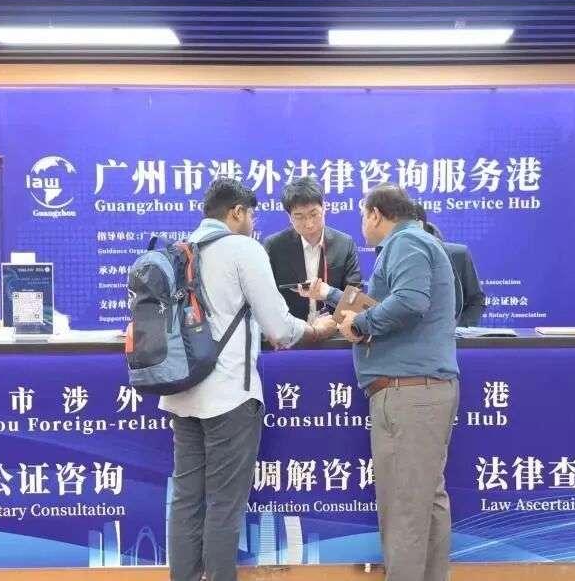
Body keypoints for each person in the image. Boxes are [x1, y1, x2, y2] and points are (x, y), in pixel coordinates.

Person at [161, 178, 337, 581]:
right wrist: (317, 330)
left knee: (186, 499)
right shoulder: (244, 249)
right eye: (251, 215)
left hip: (181, 391)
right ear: (237, 212)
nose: (253, 223)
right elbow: (279, 326)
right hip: (229, 394)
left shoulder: (178, 252)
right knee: (224, 503)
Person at [303, 184, 459, 581]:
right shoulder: (415, 243)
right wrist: (334, 297)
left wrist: (361, 324)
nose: (362, 226)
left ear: (375, 214)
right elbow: (387, 302)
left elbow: (409, 301)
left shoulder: (405, 243)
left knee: (405, 505)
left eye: (362, 217)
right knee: (424, 501)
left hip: (409, 392)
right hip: (420, 390)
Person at [263, 177, 362, 320]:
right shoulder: (274, 246)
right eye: (299, 217)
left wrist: (332, 302)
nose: (309, 224)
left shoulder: (344, 244)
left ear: (324, 208)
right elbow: (266, 296)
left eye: (314, 214)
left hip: (334, 328)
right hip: (292, 329)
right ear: (290, 217)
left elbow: (355, 298)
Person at [413, 203, 487, 328]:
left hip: (448, 337)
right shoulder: (390, 256)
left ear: (418, 225)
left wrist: (456, 328)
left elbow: (476, 301)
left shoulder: (457, 255)